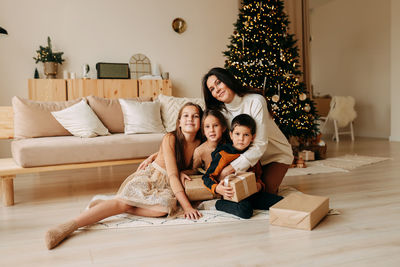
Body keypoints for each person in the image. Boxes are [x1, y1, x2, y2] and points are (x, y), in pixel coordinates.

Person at [45, 102, 204, 250]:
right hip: (154, 176)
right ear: (179, 122)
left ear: (201, 122)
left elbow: (189, 167)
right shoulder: (171, 137)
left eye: (195, 116)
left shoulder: (199, 144)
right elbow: (172, 173)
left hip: (169, 183)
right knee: (124, 204)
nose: (190, 119)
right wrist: (187, 207)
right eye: (186, 116)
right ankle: (68, 226)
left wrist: (184, 171)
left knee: (163, 209)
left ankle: (109, 204)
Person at [202, 67, 294, 194]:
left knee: (260, 195)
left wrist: (230, 169)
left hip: (275, 156)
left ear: (227, 80)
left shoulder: (255, 101)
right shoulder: (220, 113)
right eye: (212, 89)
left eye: (218, 82)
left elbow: (260, 144)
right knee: (237, 193)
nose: (217, 89)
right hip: (251, 162)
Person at [202, 114, 282, 219]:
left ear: (252, 137)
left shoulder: (252, 155)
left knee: (280, 201)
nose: (241, 139)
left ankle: (253, 203)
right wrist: (217, 188)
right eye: (237, 134)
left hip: (250, 194)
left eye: (246, 135)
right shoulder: (223, 154)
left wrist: (259, 185)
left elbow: (258, 176)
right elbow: (207, 177)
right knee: (245, 211)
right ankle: (218, 204)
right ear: (231, 135)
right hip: (230, 196)